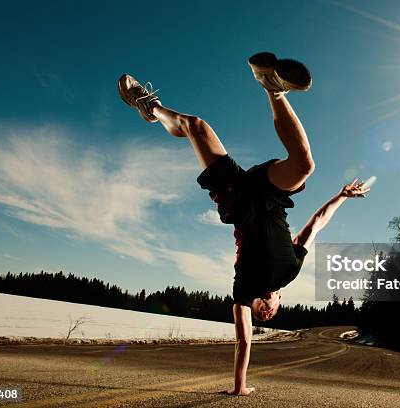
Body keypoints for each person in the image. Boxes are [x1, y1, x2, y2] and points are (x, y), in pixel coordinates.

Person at [118, 52, 371, 396]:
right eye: (272, 314)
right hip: (269, 195)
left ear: (252, 308)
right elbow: (315, 225)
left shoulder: (243, 290)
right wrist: (341, 196)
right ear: (280, 301)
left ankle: (151, 108)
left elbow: (243, 341)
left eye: (260, 316)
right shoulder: (291, 269)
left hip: (236, 198)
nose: (265, 313)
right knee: (304, 166)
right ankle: (274, 89)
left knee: (195, 125)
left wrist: (240, 387)